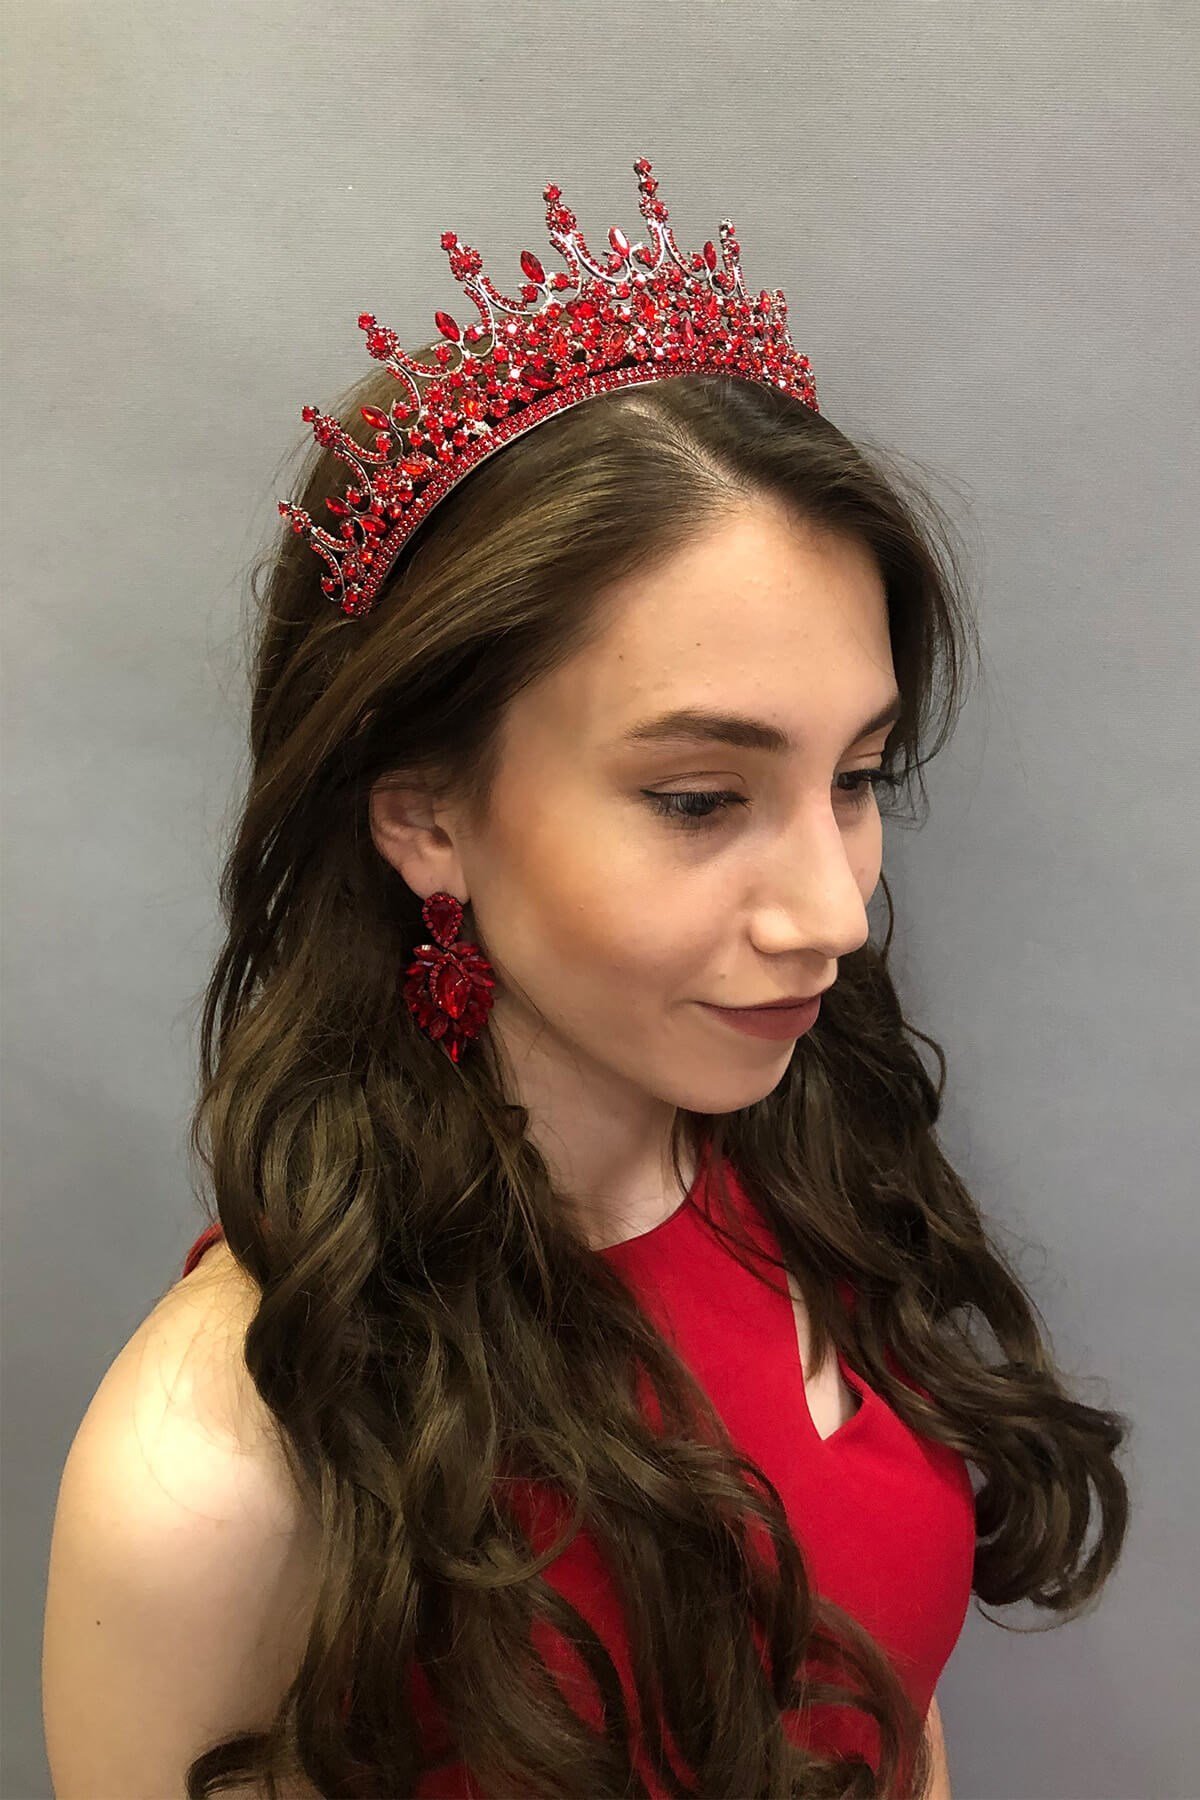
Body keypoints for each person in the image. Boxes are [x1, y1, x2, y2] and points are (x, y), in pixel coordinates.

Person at [42, 157, 1129, 1799]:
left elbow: (887, 1705)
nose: (833, 916)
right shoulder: (218, 1482)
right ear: (426, 817)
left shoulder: (812, 1153)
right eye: (699, 799)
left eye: (858, 778)